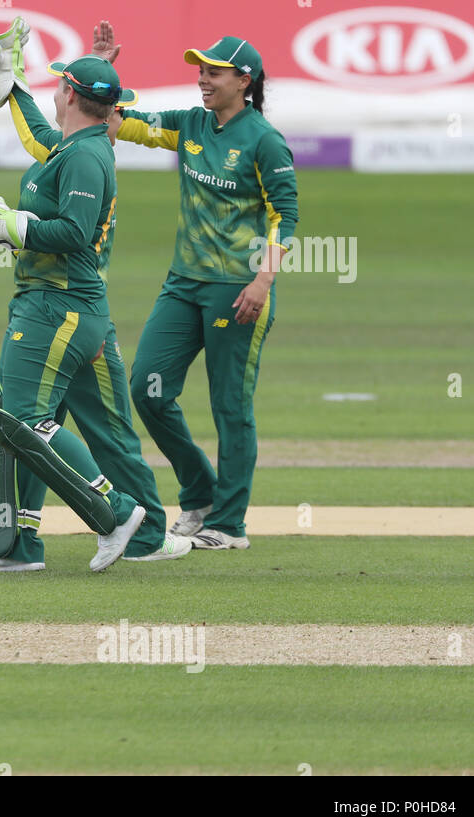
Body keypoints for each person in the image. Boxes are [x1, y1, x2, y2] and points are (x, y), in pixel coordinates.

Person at [0, 19, 192, 570]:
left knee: (22, 419)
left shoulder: (87, 155)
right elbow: (41, 132)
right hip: (76, 310)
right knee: (95, 428)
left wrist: (12, 226)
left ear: (69, 93)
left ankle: (117, 517)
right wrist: (12, 76)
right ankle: (14, 540)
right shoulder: (73, 145)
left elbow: (73, 232)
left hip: (59, 308)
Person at [113, 31, 299, 550]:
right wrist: (102, 72)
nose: (203, 79)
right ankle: (200, 492)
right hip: (183, 285)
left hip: (237, 290)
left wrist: (263, 279)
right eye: (200, 70)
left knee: (229, 408)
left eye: (214, 72)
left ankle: (229, 524)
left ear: (245, 81)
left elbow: (286, 216)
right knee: (147, 387)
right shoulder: (190, 124)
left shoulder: (263, 139)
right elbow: (122, 124)